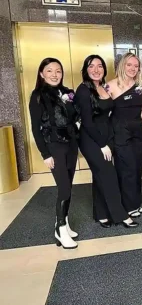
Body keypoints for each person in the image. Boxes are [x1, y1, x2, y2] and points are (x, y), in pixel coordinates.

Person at [75, 55, 138, 229]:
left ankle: (101, 214)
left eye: (100, 66)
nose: (96, 70)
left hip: (106, 136)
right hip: (92, 140)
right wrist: (102, 144)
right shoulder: (83, 90)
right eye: (91, 66)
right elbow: (87, 122)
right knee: (109, 176)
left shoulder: (102, 87)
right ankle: (120, 215)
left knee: (100, 175)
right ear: (85, 70)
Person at [29, 58, 80, 249]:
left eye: (58, 70)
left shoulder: (68, 93)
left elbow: (76, 114)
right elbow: (35, 128)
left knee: (69, 186)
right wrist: (45, 154)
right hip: (54, 146)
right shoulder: (38, 96)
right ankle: (59, 228)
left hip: (71, 144)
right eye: (49, 71)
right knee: (64, 188)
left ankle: (64, 223)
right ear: (42, 74)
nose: (54, 74)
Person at [106, 53, 142, 218]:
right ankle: (127, 205)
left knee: (137, 168)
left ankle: (135, 203)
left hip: (138, 132)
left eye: (136, 66)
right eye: (129, 65)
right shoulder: (110, 86)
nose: (132, 68)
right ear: (122, 65)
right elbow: (101, 109)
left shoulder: (140, 86)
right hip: (121, 133)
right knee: (126, 169)